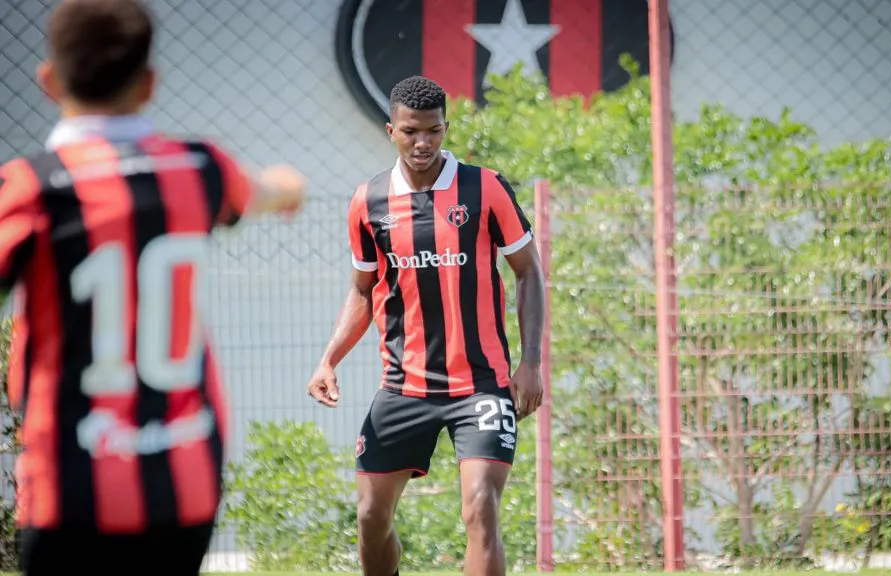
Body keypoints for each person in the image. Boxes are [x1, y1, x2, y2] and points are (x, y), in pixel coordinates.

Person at [0, 0, 305, 574]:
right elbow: (272, 189)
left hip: (71, 492)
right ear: (149, 84)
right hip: (182, 487)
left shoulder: (28, 188)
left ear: (48, 81)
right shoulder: (201, 169)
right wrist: (290, 186)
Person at [306, 74, 545, 576]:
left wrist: (530, 363)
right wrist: (329, 359)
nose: (423, 142)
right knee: (371, 517)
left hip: (481, 385)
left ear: (445, 129)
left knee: (480, 507)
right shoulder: (368, 201)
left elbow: (528, 272)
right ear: (391, 130)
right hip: (403, 387)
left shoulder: (484, 187)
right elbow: (363, 290)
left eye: (433, 131)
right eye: (411, 131)